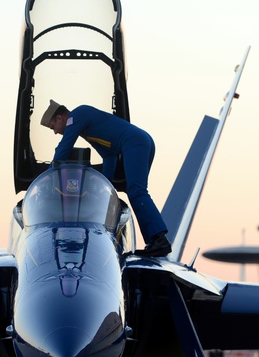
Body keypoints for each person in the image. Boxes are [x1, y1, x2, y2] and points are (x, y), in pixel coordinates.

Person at [41, 99, 172, 257]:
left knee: (137, 191)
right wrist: (105, 186)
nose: (55, 131)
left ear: (61, 118)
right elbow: (109, 156)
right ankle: (154, 241)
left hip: (134, 142)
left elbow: (65, 147)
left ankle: (159, 239)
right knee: (136, 191)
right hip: (139, 141)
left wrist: (48, 175)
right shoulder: (86, 128)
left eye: (53, 126)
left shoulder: (77, 115)